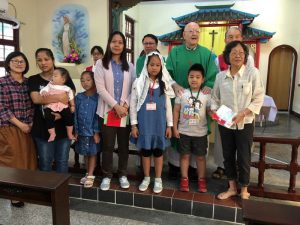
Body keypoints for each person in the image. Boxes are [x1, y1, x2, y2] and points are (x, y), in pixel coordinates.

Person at [211, 41, 264, 200]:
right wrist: (214, 111)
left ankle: (244, 188)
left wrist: (243, 113)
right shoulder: (221, 76)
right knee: (228, 155)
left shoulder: (252, 73)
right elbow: (215, 98)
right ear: (227, 56)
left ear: (245, 56)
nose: (238, 55)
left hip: (245, 123)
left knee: (244, 156)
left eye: (241, 53)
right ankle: (232, 187)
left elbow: (258, 98)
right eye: (234, 52)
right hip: (225, 123)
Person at [166, 22, 218, 179]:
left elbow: (213, 75)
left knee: (198, 135)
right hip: (179, 100)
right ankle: (176, 167)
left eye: (197, 31)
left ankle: (196, 169)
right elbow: (166, 74)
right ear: (184, 35)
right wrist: (174, 84)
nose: (194, 33)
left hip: (199, 102)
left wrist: (208, 85)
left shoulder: (207, 54)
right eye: (190, 31)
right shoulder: (175, 52)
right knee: (179, 135)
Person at [212, 26, 255, 180]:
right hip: (225, 109)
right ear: (225, 39)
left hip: (243, 109)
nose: (234, 39)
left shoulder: (248, 57)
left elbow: (250, 79)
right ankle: (221, 165)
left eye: (237, 36)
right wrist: (216, 110)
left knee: (243, 146)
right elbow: (216, 81)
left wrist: (244, 111)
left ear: (241, 39)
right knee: (223, 142)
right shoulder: (219, 58)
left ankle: (241, 172)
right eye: (230, 36)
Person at [94, 31, 135, 191]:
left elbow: (134, 87)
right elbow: (100, 88)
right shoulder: (100, 64)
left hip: (124, 112)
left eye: (120, 42)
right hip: (107, 111)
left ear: (124, 46)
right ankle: (106, 175)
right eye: (114, 41)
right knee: (108, 146)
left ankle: (122, 173)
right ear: (109, 44)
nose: (117, 45)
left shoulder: (130, 66)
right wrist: (115, 106)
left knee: (124, 146)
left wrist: (124, 105)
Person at [130, 51, 175, 193]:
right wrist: (133, 124)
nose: (154, 67)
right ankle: (147, 177)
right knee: (145, 152)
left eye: (157, 65)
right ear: (146, 65)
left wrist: (170, 125)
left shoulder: (165, 84)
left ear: (161, 66)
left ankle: (158, 179)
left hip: (159, 125)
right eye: (151, 65)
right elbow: (133, 104)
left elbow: (168, 106)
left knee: (158, 152)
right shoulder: (139, 82)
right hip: (144, 125)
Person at [28, 48, 76, 173]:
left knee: (62, 161)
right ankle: (47, 192)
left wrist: (59, 113)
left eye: (46, 59)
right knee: (45, 162)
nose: (43, 63)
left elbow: (69, 97)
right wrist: (58, 97)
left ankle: (60, 192)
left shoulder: (63, 76)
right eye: (39, 60)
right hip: (42, 128)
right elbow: (36, 99)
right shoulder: (33, 79)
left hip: (63, 127)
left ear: (53, 60)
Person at [0, 51, 37, 207]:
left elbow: (34, 104)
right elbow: (1, 107)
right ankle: (13, 195)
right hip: (9, 126)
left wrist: (30, 123)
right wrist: (20, 124)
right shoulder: (2, 82)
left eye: (22, 61)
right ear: (8, 64)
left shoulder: (29, 82)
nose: (19, 63)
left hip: (28, 127)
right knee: (12, 161)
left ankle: (26, 191)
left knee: (28, 160)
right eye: (15, 61)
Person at [173, 63, 211, 193]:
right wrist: (174, 128)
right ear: (187, 78)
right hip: (184, 132)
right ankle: (184, 179)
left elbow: (210, 111)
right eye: (191, 76)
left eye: (197, 77)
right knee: (185, 156)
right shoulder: (182, 93)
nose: (194, 79)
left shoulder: (206, 95)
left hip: (200, 133)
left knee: (201, 157)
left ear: (203, 79)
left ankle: (201, 180)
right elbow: (176, 111)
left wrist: (220, 116)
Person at [74, 71, 101, 188]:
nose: (85, 82)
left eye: (88, 79)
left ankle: (90, 175)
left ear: (94, 81)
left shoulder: (98, 97)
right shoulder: (78, 97)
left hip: (92, 132)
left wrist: (96, 132)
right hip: (81, 131)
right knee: (85, 152)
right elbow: (74, 114)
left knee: (93, 153)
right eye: (82, 80)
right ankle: (87, 173)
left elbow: (98, 115)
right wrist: (76, 130)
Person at [40, 67, 75, 142]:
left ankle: (69, 133)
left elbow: (71, 97)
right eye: (52, 75)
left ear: (63, 80)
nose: (52, 77)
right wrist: (44, 92)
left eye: (55, 76)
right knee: (48, 117)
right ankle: (52, 133)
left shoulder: (67, 88)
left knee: (69, 117)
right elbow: (43, 90)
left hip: (62, 106)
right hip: (51, 105)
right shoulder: (49, 85)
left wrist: (72, 105)